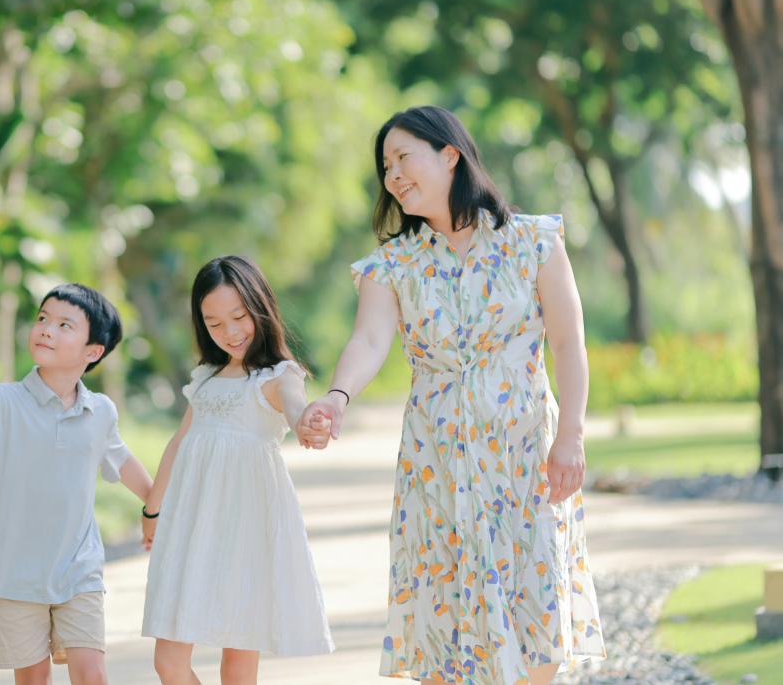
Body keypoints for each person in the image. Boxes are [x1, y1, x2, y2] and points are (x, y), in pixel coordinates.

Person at [300, 106, 606, 684]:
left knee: (531, 603)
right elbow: (368, 340)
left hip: (523, 459)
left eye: (402, 157)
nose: (392, 175)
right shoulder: (392, 264)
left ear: (450, 154)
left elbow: (568, 342)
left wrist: (572, 437)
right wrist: (336, 397)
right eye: (385, 166)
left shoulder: (535, 242)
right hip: (436, 463)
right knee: (442, 608)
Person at [0, 283, 153, 685]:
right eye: (42, 319)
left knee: (93, 674)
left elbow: (123, 462)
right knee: (33, 679)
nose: (47, 329)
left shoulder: (100, 410)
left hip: (78, 568)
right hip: (13, 574)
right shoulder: (1, 402)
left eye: (65, 324)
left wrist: (159, 507)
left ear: (93, 352)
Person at [140, 255, 334, 684]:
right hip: (190, 527)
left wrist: (310, 423)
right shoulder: (207, 375)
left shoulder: (279, 375)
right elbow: (179, 443)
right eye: (213, 323)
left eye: (239, 317)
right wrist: (153, 509)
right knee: (168, 661)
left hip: (245, 529)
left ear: (260, 308)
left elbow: (297, 408)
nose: (229, 332)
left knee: (238, 667)